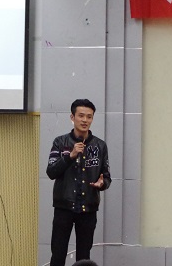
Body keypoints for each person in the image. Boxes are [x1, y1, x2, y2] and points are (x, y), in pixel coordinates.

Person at [46, 99, 111, 266]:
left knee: (84, 257)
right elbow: (51, 172)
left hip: (88, 208)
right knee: (58, 254)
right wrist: (70, 156)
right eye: (81, 116)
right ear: (72, 117)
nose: (85, 120)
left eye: (89, 117)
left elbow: (107, 177)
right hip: (63, 208)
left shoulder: (100, 146)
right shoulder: (60, 142)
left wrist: (102, 184)